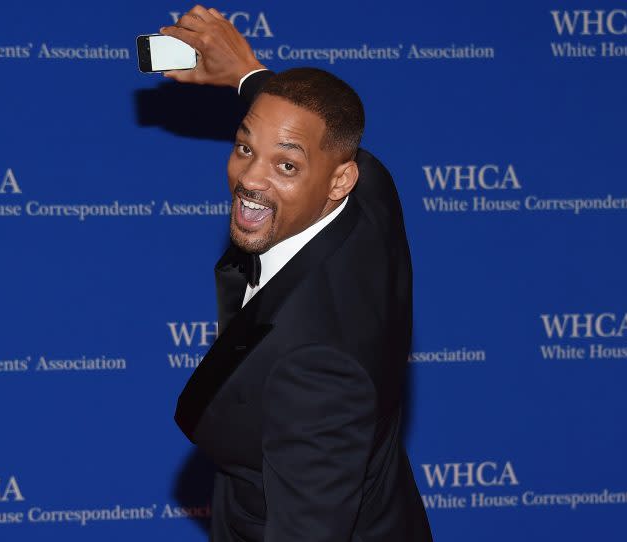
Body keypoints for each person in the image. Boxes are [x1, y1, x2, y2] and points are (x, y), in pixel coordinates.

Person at [163, 5, 433, 541]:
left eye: (285, 165)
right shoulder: (368, 198)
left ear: (338, 181)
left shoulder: (318, 369)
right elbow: (318, 130)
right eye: (245, 148)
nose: (250, 180)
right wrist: (246, 72)